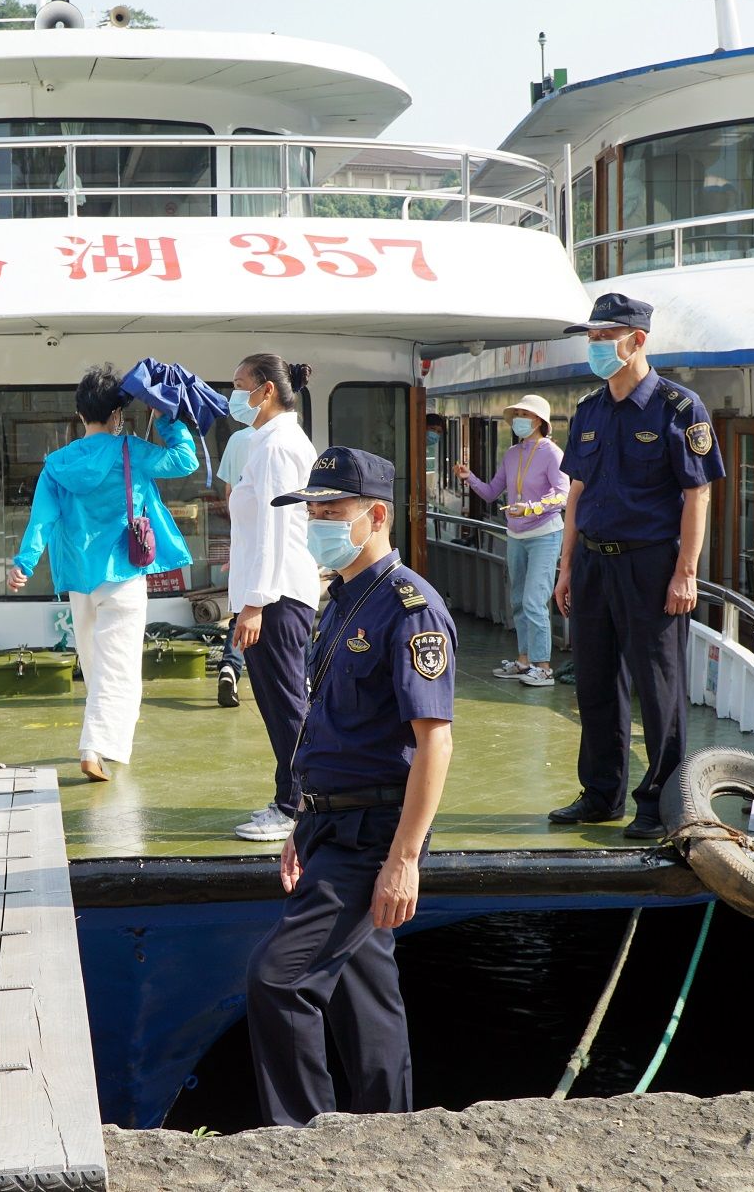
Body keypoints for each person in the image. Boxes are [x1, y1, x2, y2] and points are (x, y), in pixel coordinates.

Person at [245, 447, 455, 1127]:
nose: (317, 523)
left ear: (377, 516)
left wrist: (404, 859)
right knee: (366, 1001)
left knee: (278, 980)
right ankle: (388, 1133)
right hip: (333, 828)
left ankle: (305, 1139)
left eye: (331, 512)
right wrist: (305, 823)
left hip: (374, 838)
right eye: (312, 511)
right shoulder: (338, 603)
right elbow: (329, 731)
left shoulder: (409, 608)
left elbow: (434, 742)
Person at [550, 293, 725, 839]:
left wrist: (686, 572)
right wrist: (565, 566)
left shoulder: (679, 408)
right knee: (595, 682)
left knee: (659, 689)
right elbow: (575, 492)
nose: (596, 346)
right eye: (593, 337)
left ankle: (661, 800)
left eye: (605, 337)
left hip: (651, 565)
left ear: (637, 341)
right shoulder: (588, 409)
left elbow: (697, 494)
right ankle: (602, 794)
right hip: (593, 564)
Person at [7, 366, 199, 780]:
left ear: (80, 415)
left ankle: (104, 743)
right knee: (120, 666)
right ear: (117, 415)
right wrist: (167, 418)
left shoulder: (57, 463)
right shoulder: (132, 450)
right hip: (125, 574)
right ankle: (94, 746)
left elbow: (41, 519)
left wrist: (24, 564)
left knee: (95, 664)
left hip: (78, 578)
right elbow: (186, 460)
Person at [226, 353, 320, 842]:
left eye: (240, 384)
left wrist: (256, 602)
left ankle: (297, 806)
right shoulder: (267, 443)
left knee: (286, 703)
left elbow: (276, 529)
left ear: (265, 391)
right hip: (273, 593)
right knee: (279, 701)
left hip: (278, 597)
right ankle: (292, 794)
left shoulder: (277, 448)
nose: (233, 393)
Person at [457, 393, 569, 687]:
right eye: (517, 413)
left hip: (545, 534)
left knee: (534, 600)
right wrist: (469, 478)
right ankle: (524, 660)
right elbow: (493, 492)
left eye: (525, 414)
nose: (519, 419)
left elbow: (563, 495)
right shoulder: (512, 454)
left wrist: (533, 507)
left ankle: (543, 666)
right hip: (516, 535)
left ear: (539, 421)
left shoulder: (552, 453)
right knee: (518, 600)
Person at [213, 423, 257, 708]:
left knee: (242, 612)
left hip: (245, 538)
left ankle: (230, 667)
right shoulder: (293, 440)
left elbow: (231, 494)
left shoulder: (238, 440)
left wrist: (239, 540)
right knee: (295, 619)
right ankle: (303, 677)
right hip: (283, 546)